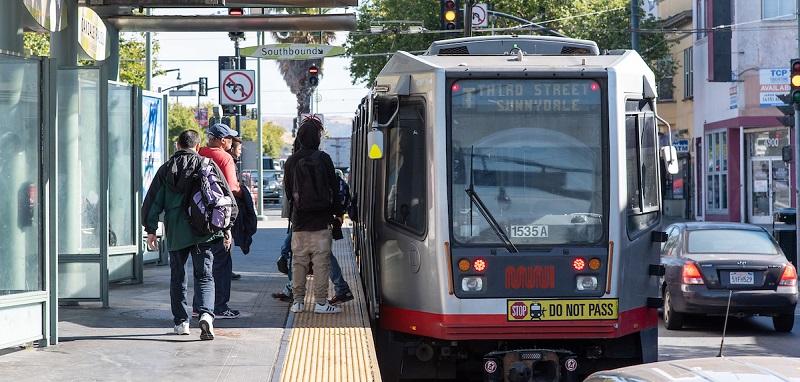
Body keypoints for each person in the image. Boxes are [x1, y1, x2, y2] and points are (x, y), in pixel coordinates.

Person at [141, 129, 227, 341]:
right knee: (205, 275)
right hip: (203, 231)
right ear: (197, 147)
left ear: (178, 146)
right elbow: (223, 197)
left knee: (178, 276)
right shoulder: (207, 165)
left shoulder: (166, 169)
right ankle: (206, 314)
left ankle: (181, 322)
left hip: (177, 231)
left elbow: (152, 201)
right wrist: (226, 228)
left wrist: (150, 229)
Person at [284, 116, 344, 314]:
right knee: (321, 263)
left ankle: (298, 302)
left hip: (300, 221)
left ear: (299, 138)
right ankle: (320, 303)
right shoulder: (324, 158)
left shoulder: (291, 161)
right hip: (322, 219)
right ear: (318, 138)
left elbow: (287, 191)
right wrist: (338, 213)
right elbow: (334, 188)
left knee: (299, 262)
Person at [198, 123, 241, 319]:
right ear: (222, 140)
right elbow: (232, 189)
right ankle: (220, 307)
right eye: (230, 139)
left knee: (202, 266)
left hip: (196, 218)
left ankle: (199, 307)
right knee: (222, 264)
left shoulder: (197, 153)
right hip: (218, 219)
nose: (231, 143)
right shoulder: (224, 158)